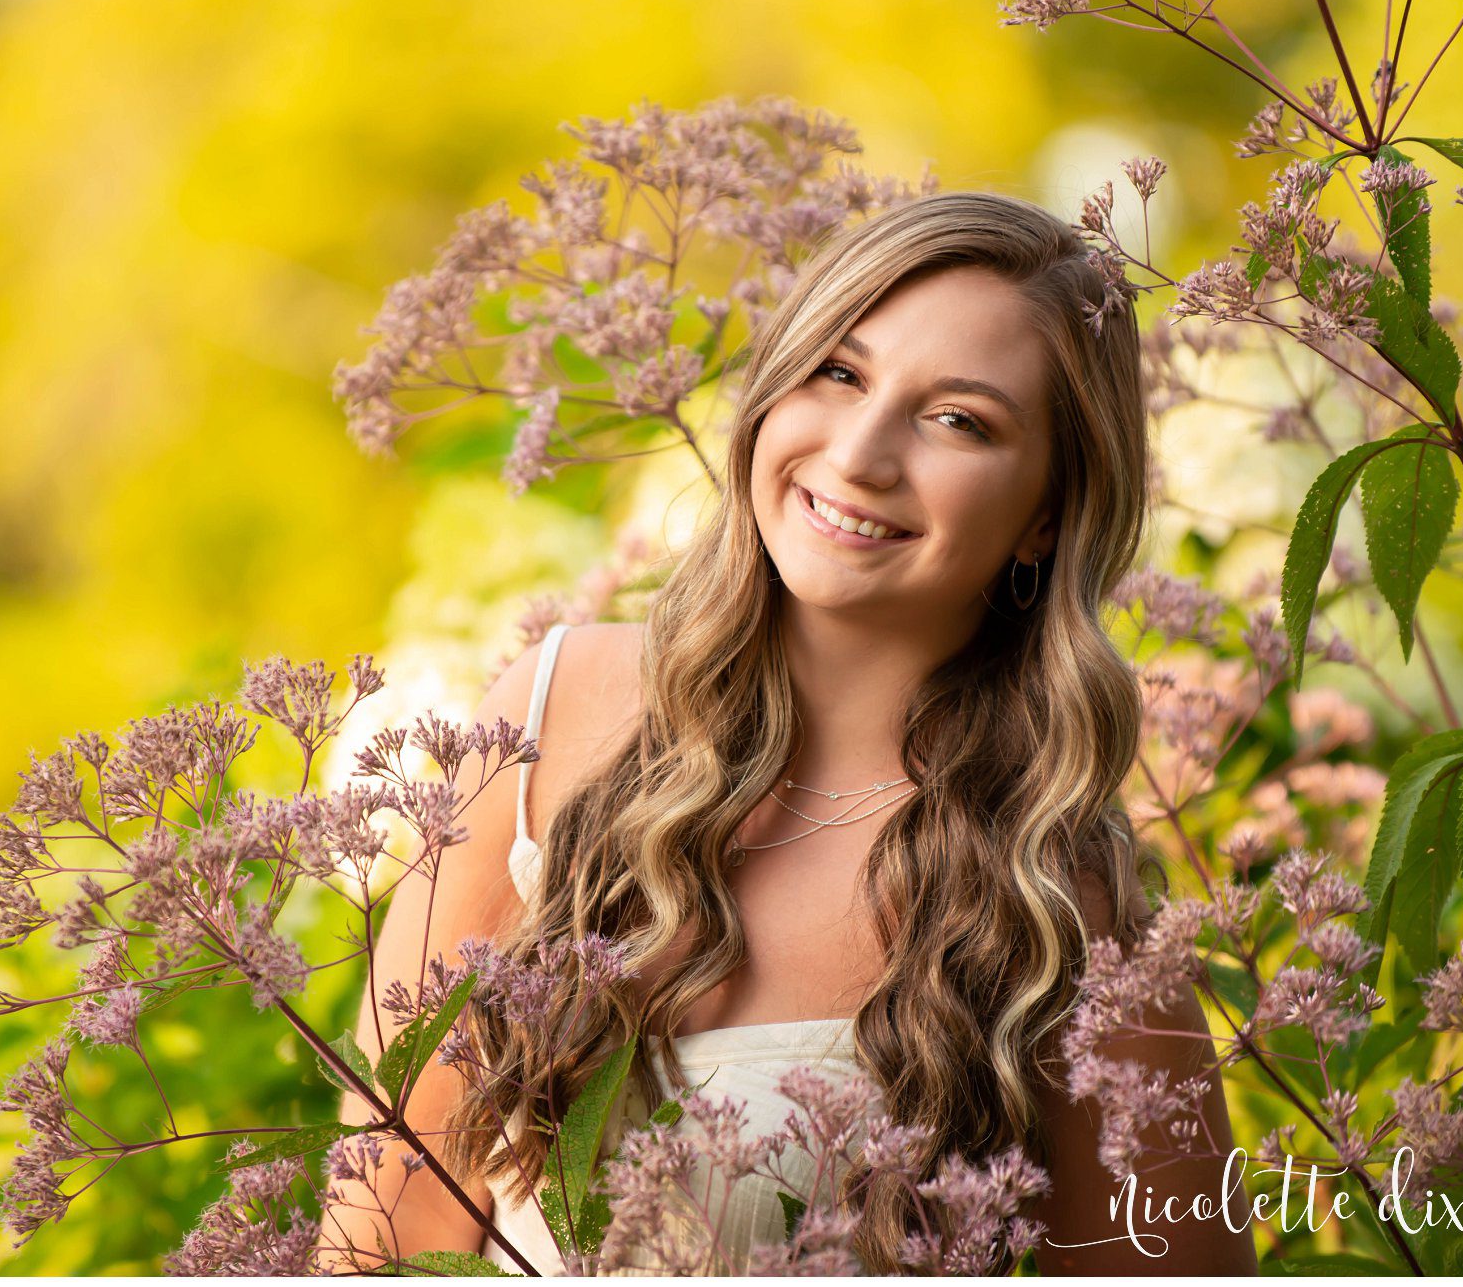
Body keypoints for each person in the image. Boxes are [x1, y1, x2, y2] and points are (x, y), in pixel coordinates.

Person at [329, 194, 1248, 1275]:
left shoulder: (1064, 904)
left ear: (1046, 511)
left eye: (958, 419)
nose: (859, 453)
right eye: (839, 372)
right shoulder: (545, 711)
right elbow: (380, 1237)